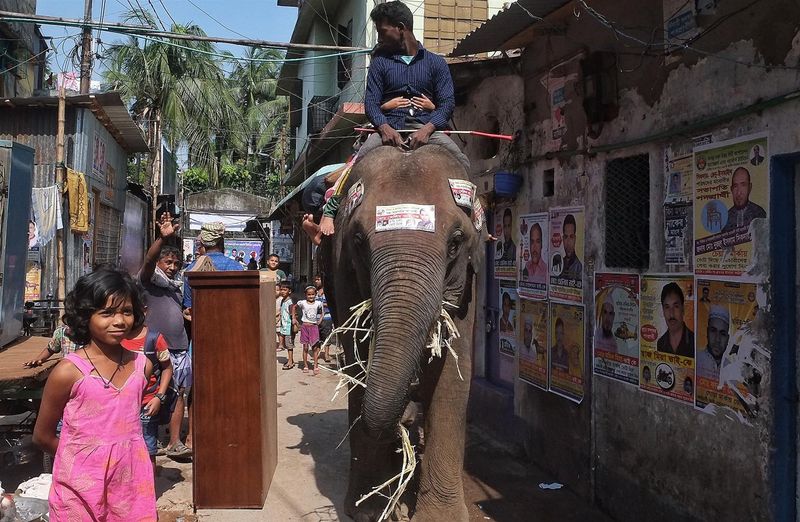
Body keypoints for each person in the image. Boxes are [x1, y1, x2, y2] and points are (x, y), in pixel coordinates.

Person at [315, 0, 469, 239]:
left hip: (426, 127)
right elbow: (371, 105)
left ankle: (476, 219)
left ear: (400, 27)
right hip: (388, 128)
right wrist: (384, 129)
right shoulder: (380, 64)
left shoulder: (436, 63)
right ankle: (331, 209)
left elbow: (447, 104)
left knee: (461, 160)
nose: (379, 38)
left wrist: (427, 130)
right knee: (358, 161)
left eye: (381, 31)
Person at [32, 269, 157, 521]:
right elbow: (43, 436)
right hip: (78, 490)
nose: (119, 321)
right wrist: (82, 459)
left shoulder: (141, 366)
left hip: (131, 486)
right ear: (86, 316)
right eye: (107, 313)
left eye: (127, 312)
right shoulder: (68, 372)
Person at [138, 212, 193, 460]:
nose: (172, 268)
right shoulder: (148, 280)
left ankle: (174, 442)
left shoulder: (174, 287)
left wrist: (185, 313)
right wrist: (161, 238)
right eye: (167, 263)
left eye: (175, 263)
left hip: (180, 348)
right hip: (158, 350)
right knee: (152, 394)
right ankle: (149, 441)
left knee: (178, 392)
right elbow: (148, 261)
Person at [121, 321, 174, 478]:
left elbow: (167, 367)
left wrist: (159, 396)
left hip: (147, 403)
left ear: (144, 310)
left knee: (147, 449)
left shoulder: (154, 339)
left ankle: (148, 491)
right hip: (121, 404)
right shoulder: (115, 337)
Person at [721, 167, 766, 232]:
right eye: (735, 186)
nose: (739, 192)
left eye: (743, 185)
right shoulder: (726, 218)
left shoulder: (759, 213)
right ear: (731, 189)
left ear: (749, 188)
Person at [656, 282, 695, 358]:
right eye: (667, 307)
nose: (671, 314)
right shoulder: (661, 343)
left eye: (676, 306)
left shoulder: (694, 341)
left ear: (683, 309)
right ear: (663, 311)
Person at [697, 305, 730, 381]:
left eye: (722, 334)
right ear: (707, 332)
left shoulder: (731, 368)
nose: (717, 339)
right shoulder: (697, 359)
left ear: (728, 339)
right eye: (713, 331)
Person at [296, 286, 324, 375]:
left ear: (315, 295)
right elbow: (293, 307)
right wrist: (294, 318)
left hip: (314, 327)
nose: (311, 296)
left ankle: (315, 365)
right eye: (309, 294)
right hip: (305, 326)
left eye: (312, 294)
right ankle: (305, 365)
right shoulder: (302, 303)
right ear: (305, 295)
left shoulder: (318, 303)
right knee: (305, 347)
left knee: (315, 348)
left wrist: (320, 320)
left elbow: (322, 312)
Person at [315, 274, 334, 363]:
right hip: (316, 319)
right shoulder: (313, 292)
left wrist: (321, 304)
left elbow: (331, 303)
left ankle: (326, 354)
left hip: (327, 318)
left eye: (318, 279)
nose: (316, 281)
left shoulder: (328, 292)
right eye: (315, 280)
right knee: (317, 337)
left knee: (327, 337)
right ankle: (317, 354)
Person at [278, 282, 297, 369]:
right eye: (281, 289)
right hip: (284, 327)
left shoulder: (289, 302)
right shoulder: (283, 300)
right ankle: (290, 359)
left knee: (289, 346)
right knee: (287, 345)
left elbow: (293, 313)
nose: (282, 291)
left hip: (289, 327)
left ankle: (290, 362)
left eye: (285, 290)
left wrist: (294, 322)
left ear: (289, 291)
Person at [561, 214, 582, 279]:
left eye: (571, 237)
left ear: (575, 239)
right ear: (563, 239)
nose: (568, 242)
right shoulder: (560, 263)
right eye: (566, 237)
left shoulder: (579, 267)